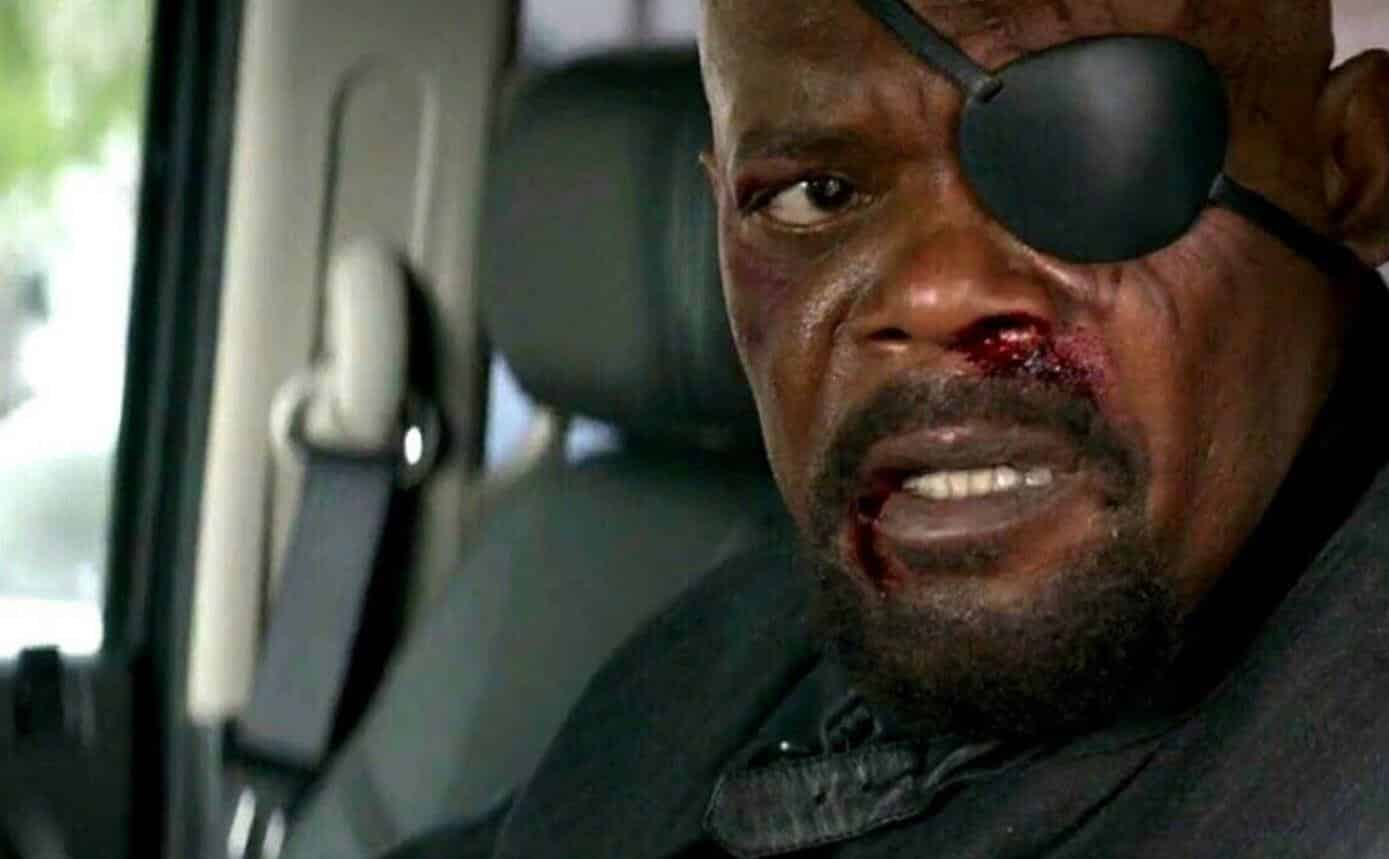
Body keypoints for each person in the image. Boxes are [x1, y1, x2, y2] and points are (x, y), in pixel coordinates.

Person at [393, 0, 1389, 855]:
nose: (933, 291)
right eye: (815, 195)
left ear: (1352, 170)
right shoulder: (725, 650)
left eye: (1089, 148)